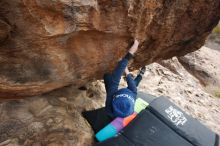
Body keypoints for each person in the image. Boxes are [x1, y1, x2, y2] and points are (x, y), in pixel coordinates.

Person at [104, 39, 146, 118]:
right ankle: (141, 75)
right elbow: (131, 82)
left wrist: (123, 63)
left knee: (107, 77)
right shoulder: (132, 94)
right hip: (128, 93)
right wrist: (132, 52)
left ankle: (106, 77)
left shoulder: (109, 107)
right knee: (134, 83)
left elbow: (116, 79)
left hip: (112, 108)